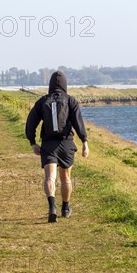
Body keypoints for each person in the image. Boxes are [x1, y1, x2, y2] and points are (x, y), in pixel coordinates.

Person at [25, 71, 89, 223]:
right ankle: (65, 208)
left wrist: (32, 142)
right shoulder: (70, 101)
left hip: (48, 144)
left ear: (50, 85)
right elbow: (78, 123)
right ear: (65, 85)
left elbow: (30, 123)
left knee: (50, 177)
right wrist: (84, 142)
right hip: (66, 143)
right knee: (65, 177)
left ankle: (52, 207)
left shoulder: (42, 101)